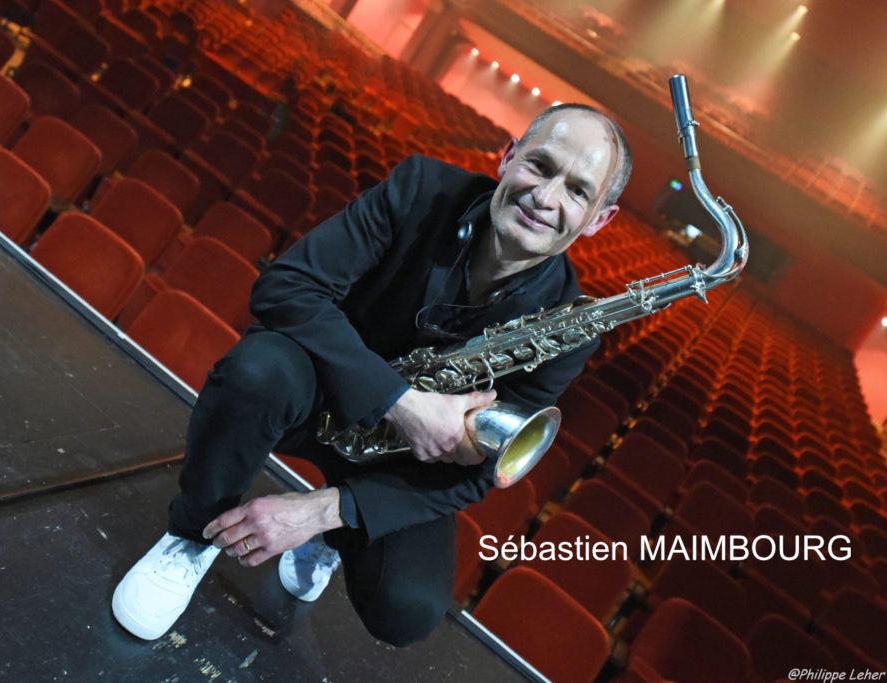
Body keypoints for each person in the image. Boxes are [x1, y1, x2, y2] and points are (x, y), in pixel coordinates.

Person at [112, 103, 632, 646]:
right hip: (316, 390)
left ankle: (327, 539)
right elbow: (286, 287)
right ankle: (190, 535)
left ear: (599, 219)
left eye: (578, 191)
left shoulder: (571, 332)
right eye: (540, 166)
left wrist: (325, 512)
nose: (545, 198)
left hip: (401, 460)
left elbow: (479, 473)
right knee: (257, 371)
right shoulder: (422, 188)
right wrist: (400, 401)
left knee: (408, 609)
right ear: (508, 156)